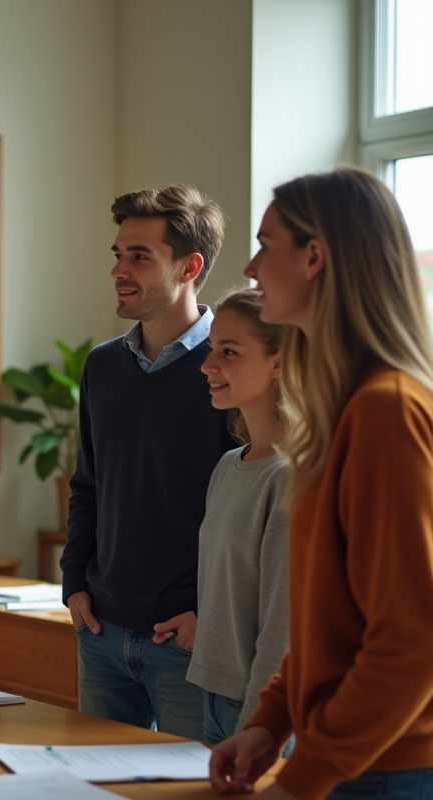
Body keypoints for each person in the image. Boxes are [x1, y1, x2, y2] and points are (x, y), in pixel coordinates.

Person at [210, 169, 433, 799]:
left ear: (315, 256)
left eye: (264, 244)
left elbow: (410, 644)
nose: (251, 268)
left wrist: (300, 779)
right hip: (350, 757)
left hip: (384, 768)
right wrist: (269, 723)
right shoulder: (346, 411)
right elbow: (329, 624)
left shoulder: (387, 410)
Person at [60, 184, 237, 740]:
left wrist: (209, 617)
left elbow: (249, 512)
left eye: (140, 256)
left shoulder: (232, 370)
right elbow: (87, 485)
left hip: (188, 641)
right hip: (102, 633)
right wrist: (74, 584)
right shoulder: (102, 367)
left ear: (190, 266)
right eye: (118, 254)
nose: (120, 269)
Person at [187, 287, 291, 746]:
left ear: (279, 362)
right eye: (211, 349)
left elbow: (282, 629)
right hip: (209, 692)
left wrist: (257, 727)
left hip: (257, 707)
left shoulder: (292, 477)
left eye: (228, 352)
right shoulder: (229, 464)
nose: (208, 365)